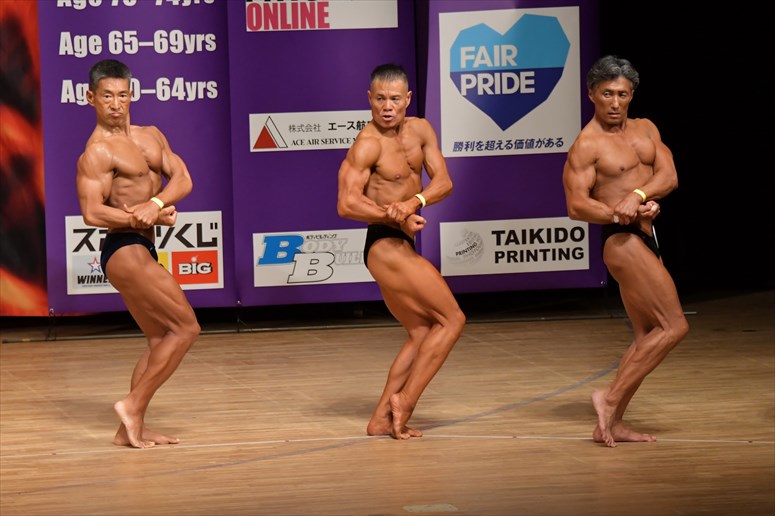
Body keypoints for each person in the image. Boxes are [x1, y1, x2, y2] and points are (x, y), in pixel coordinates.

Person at [562, 55, 689, 447]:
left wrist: (640, 197)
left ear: (631, 94)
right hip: (621, 240)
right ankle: (609, 397)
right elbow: (576, 206)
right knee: (674, 326)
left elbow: (669, 176)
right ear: (591, 94)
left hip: (646, 233)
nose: (615, 102)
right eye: (607, 94)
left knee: (647, 334)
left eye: (622, 94)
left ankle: (612, 424)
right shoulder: (586, 145)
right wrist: (620, 213)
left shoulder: (646, 128)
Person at [337, 63, 466, 440]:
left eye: (394, 99)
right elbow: (346, 203)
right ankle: (404, 402)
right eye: (380, 99)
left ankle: (380, 420)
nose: (387, 107)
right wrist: (391, 215)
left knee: (423, 331)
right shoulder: (367, 144)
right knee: (452, 320)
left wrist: (413, 203)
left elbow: (444, 182)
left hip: (401, 238)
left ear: (408, 99)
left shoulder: (422, 130)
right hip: (383, 242)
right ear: (369, 99)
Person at [76, 59, 200, 449]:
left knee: (159, 338)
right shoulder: (97, 152)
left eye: (122, 95)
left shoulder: (151, 136)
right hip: (123, 248)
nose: (116, 104)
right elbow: (92, 212)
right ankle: (132, 405)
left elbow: (183, 178)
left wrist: (156, 204)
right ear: (91, 98)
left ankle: (130, 429)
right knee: (186, 328)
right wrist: (142, 215)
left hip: (142, 245)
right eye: (107, 96)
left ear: (133, 95)